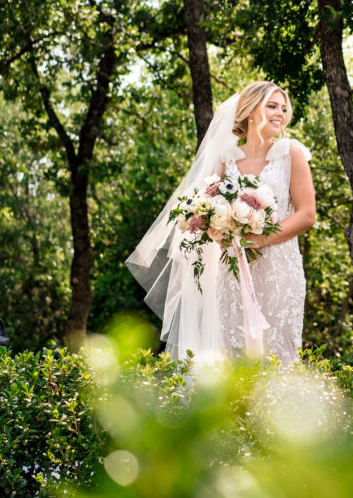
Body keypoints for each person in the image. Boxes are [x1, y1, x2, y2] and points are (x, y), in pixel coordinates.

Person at [126, 82, 315, 366]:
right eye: (272, 106)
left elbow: (306, 214)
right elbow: (203, 213)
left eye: (283, 108)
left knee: (278, 355)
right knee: (231, 356)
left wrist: (259, 240)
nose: (280, 113)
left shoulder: (291, 154)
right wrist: (217, 231)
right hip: (231, 272)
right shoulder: (226, 160)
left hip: (279, 272)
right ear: (250, 112)